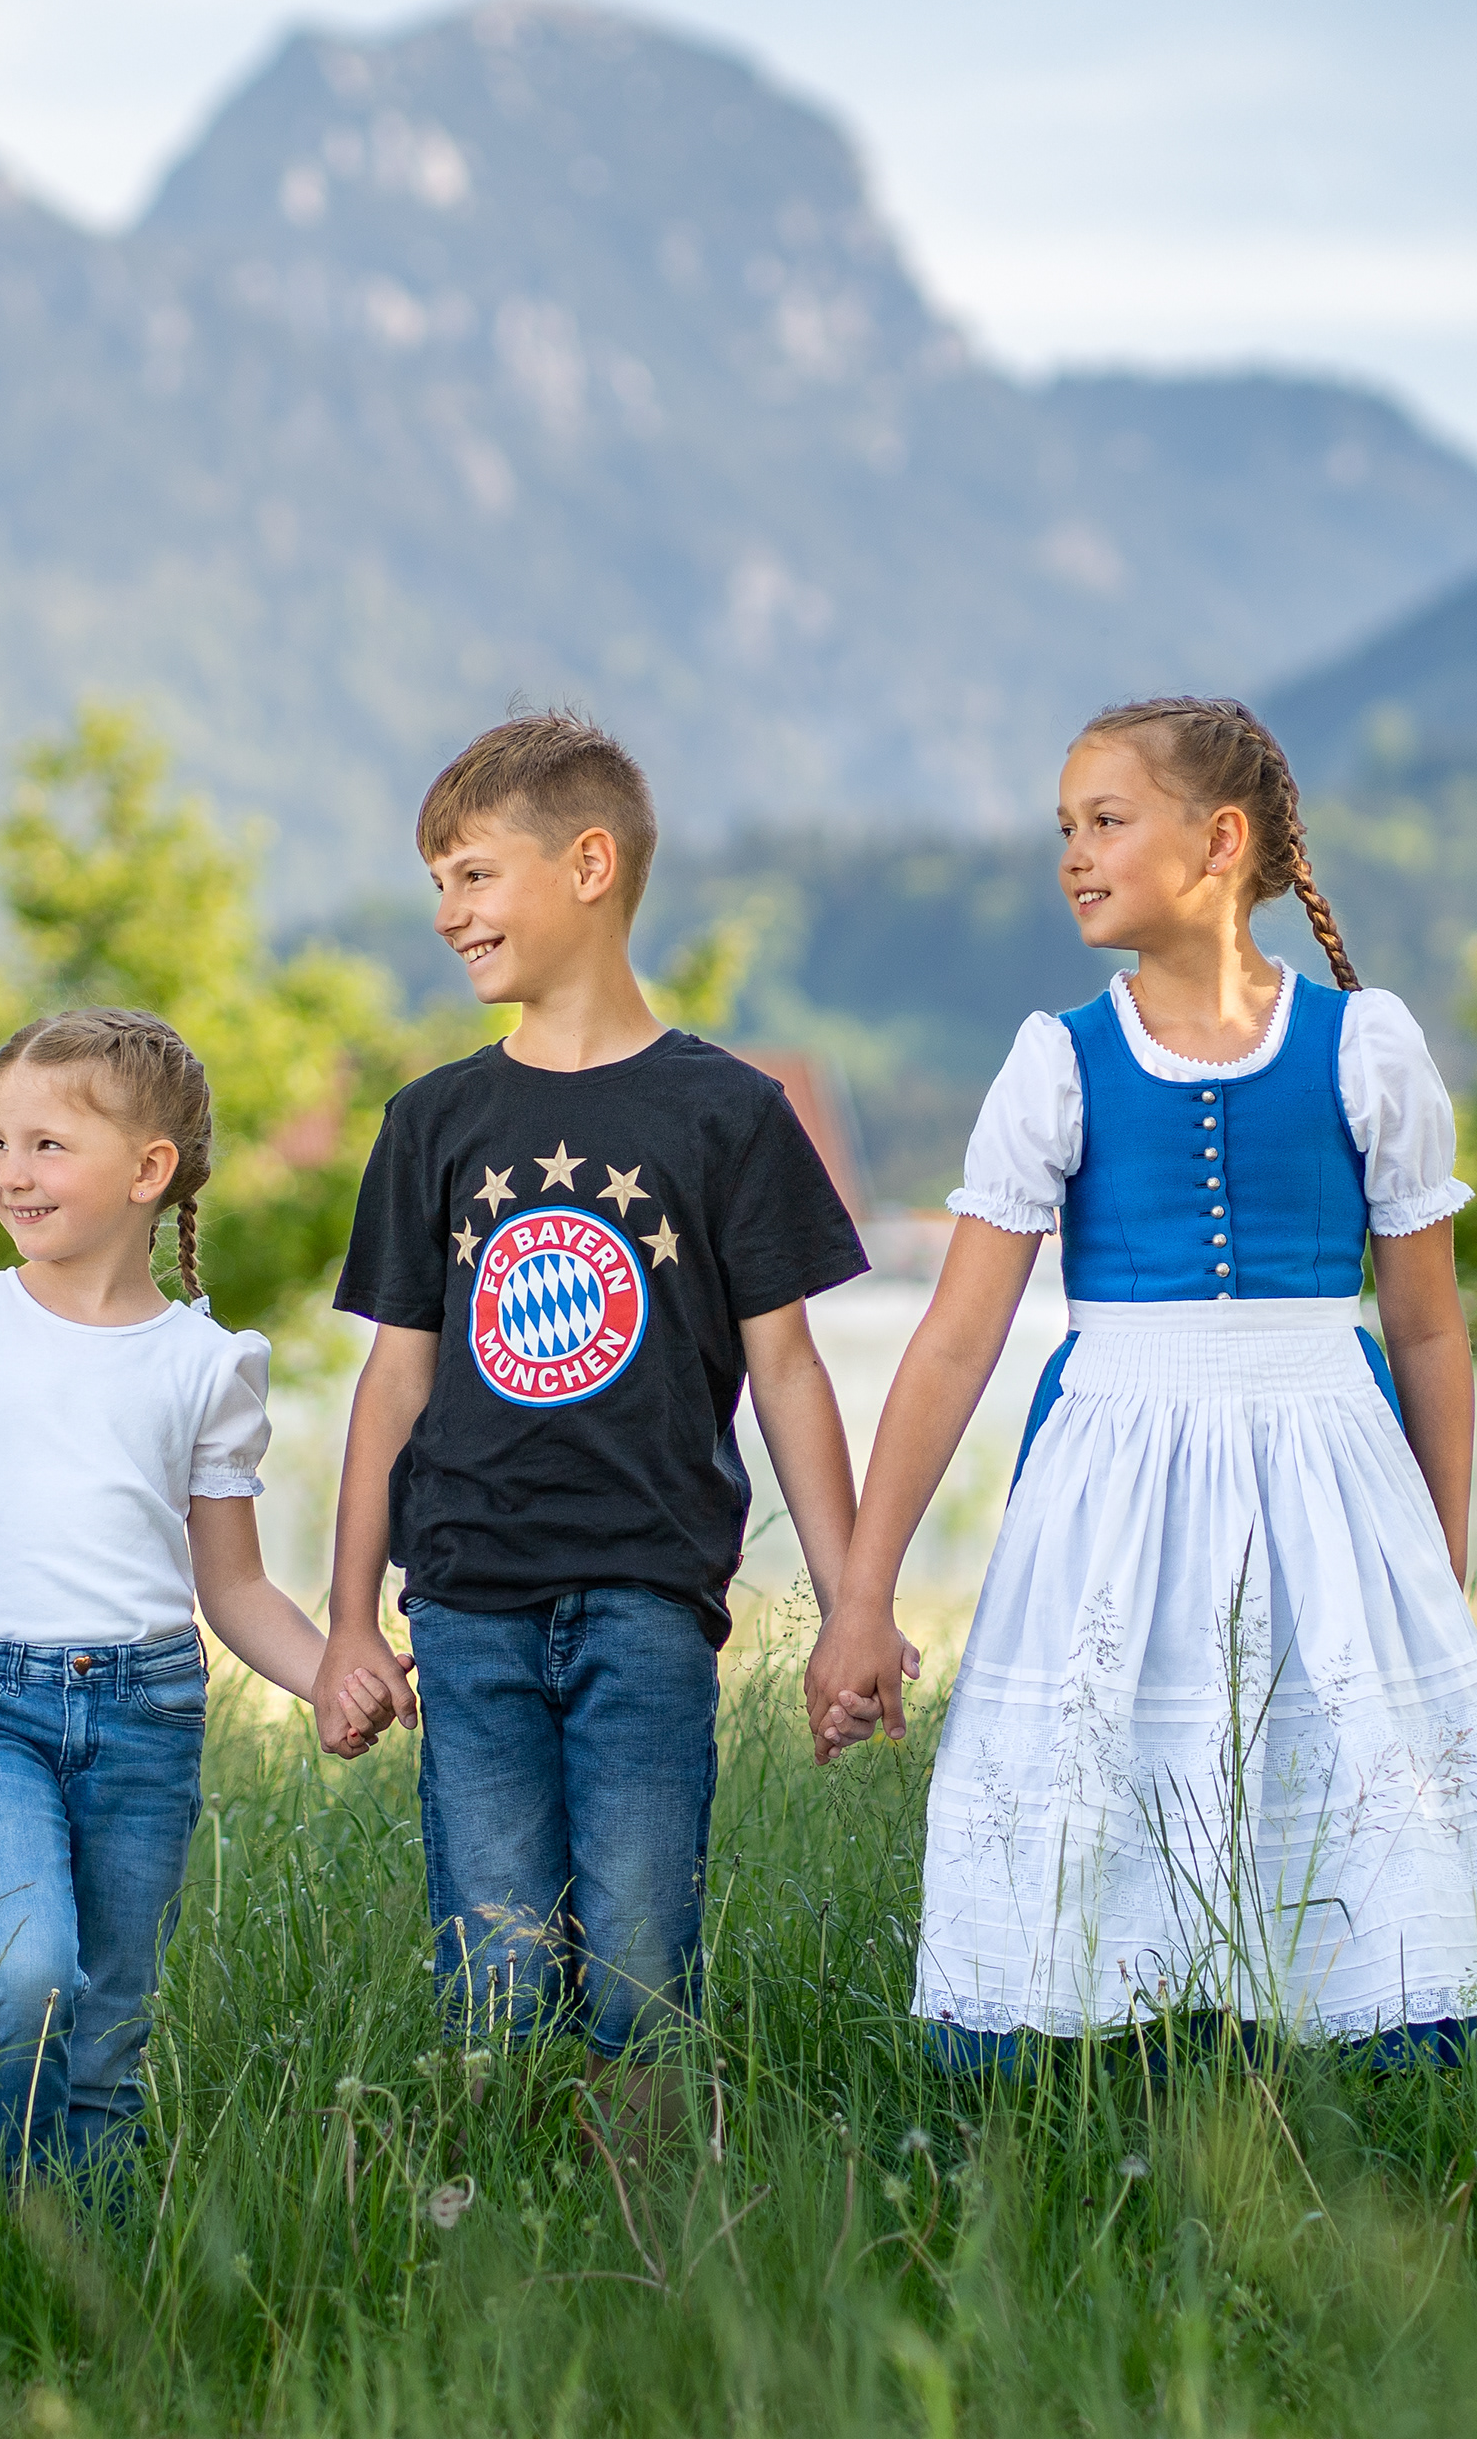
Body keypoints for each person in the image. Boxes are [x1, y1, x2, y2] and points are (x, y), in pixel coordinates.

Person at [806, 696, 1477, 2066]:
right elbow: (954, 1340)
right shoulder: (1059, 1061)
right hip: (1115, 1477)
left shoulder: (1365, 1047)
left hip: (1329, 1467)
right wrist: (862, 1595)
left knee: (1336, 1767)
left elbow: (1430, 1331)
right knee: (1111, 1759)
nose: (1073, 854)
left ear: (1219, 840)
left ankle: (1353, 2064)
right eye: (1065, 828)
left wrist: (1436, 1560)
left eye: (1106, 820)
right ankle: (1111, 2058)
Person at [317, 710, 895, 2125]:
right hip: (466, 1602)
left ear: (589, 865)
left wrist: (853, 1609)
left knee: (640, 1974)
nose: (447, 913)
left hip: (650, 1600)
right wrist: (345, 1621)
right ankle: (499, 2207)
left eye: (473, 875)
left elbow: (790, 1373)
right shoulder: (431, 1122)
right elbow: (393, 1380)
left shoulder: (730, 1112)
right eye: (437, 883)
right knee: (497, 1975)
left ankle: (640, 2214)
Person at [0, 1009, 401, 2182]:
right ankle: (12, 2206)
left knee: (106, 2028)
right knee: (32, 1971)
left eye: (47, 1144)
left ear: (149, 1170)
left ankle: (83, 2248)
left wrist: (325, 1678)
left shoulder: (206, 1364)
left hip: (147, 1713)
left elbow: (234, 1582)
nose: (11, 1172)